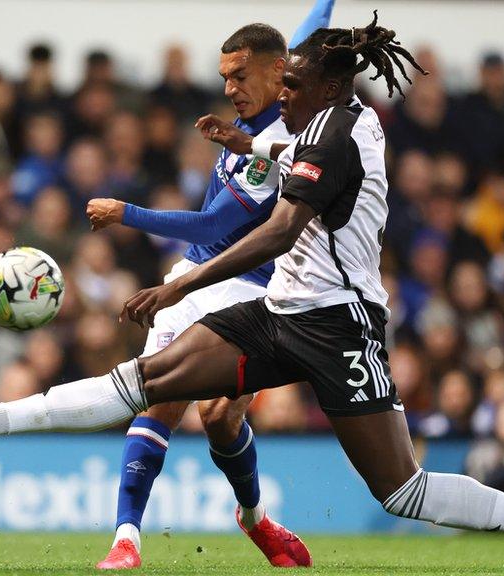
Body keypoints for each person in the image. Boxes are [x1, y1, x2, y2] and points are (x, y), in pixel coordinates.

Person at [0, 14, 504, 573]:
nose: (279, 96)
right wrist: (242, 143)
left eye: (290, 87)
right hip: (277, 313)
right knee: (144, 381)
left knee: (403, 492)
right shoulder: (323, 123)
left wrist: (186, 282)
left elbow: (281, 229)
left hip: (339, 328)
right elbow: (283, 148)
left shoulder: (338, 136)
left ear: (327, 89)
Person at [82, 7, 334, 567]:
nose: (229, 88)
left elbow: (212, 225)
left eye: (239, 76)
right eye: (224, 76)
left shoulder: (280, 142)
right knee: (158, 399)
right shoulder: (265, 98)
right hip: (195, 278)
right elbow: (301, 33)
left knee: (220, 416)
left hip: (251, 292)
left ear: (275, 74)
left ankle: (254, 519)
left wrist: (127, 212)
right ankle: (127, 539)